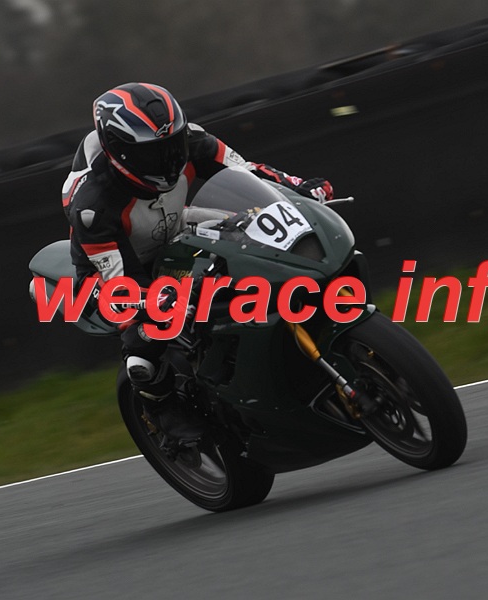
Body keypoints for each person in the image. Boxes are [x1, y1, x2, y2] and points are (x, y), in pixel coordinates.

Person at [62, 82, 334, 445]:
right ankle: (158, 404)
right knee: (149, 324)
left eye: (172, 145)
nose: (170, 159)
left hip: (172, 225)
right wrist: (152, 300)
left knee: (249, 237)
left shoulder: (191, 139)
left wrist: (297, 188)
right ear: (122, 153)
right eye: (154, 153)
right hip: (109, 266)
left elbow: (247, 172)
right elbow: (120, 283)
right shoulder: (93, 206)